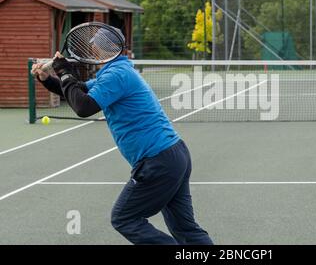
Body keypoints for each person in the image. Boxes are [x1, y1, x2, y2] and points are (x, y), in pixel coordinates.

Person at [31, 26, 213, 245]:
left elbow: (83, 107)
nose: (93, 50)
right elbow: (77, 90)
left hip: (158, 161)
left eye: (95, 46)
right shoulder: (116, 71)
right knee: (186, 230)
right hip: (174, 155)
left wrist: (65, 72)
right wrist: (47, 78)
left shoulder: (117, 74)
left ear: (103, 49)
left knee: (124, 218)